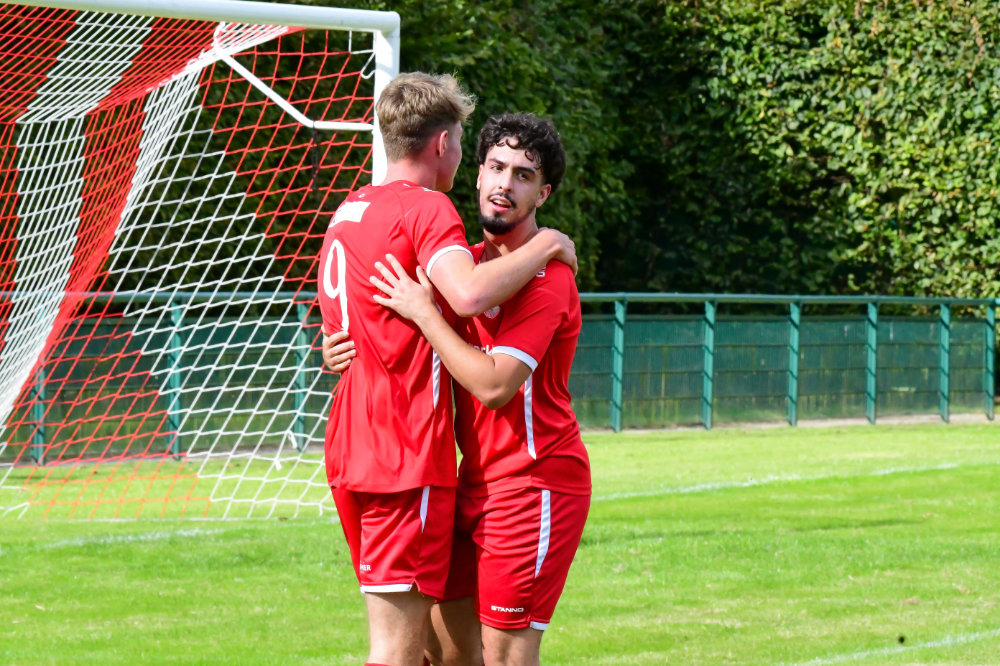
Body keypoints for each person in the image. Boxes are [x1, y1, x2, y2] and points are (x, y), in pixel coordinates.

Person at [317, 74, 577, 666]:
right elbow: (464, 297)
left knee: (492, 657)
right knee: (431, 653)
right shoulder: (455, 251)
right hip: (420, 465)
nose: (503, 183)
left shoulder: (351, 210)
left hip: (527, 481)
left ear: (543, 193)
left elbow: (493, 384)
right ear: (456, 155)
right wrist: (548, 241)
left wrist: (412, 317)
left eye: (523, 175)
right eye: (494, 166)